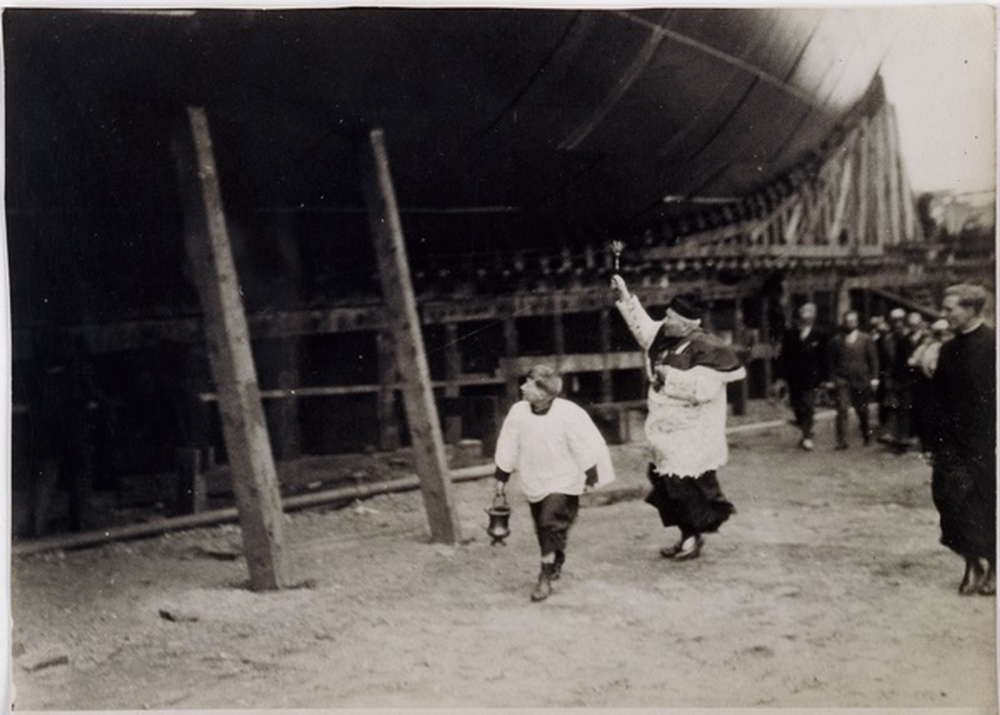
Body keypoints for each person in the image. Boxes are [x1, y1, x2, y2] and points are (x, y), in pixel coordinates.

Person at [610, 274, 745, 561]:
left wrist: (667, 376)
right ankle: (688, 535)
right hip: (666, 431)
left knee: (682, 486)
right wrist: (624, 293)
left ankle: (693, 537)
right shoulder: (667, 335)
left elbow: (705, 390)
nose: (665, 321)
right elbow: (643, 327)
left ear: (686, 324)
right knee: (664, 483)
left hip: (693, 433)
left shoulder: (708, 348)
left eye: (671, 317)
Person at [493, 365, 615, 602]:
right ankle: (554, 556)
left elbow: (582, 443)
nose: (522, 387)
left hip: (564, 478)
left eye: (529, 384)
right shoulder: (518, 412)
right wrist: (501, 477)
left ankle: (545, 575)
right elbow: (507, 444)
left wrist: (591, 474)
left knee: (550, 522)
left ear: (544, 392)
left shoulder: (567, 413)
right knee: (543, 526)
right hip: (534, 477)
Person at [925, 284, 995, 596]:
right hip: (951, 442)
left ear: (970, 309)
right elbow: (937, 398)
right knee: (948, 499)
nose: (945, 314)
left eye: (950, 308)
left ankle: (992, 565)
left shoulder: (993, 344)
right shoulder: (949, 349)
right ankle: (971, 561)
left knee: (984, 503)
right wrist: (931, 440)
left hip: (985, 441)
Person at [774, 302, 830, 451]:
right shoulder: (790, 334)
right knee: (797, 406)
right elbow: (783, 357)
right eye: (803, 312)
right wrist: (780, 377)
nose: (806, 315)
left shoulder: (820, 334)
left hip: (812, 378)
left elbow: (825, 358)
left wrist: (825, 379)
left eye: (809, 312)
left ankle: (806, 437)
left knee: (808, 406)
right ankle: (806, 428)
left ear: (814, 316)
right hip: (794, 377)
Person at [827, 310, 878, 450]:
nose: (850, 324)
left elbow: (873, 359)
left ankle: (866, 434)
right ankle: (841, 440)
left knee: (862, 410)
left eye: (853, 321)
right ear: (843, 323)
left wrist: (874, 378)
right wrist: (832, 379)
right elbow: (831, 361)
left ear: (857, 322)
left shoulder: (866, 339)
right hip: (842, 378)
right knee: (842, 409)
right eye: (847, 321)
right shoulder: (836, 340)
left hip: (861, 378)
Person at [907, 318, 950, 451]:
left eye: (943, 332)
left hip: (944, 384)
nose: (941, 335)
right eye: (938, 333)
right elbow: (912, 361)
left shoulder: (950, 346)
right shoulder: (928, 346)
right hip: (928, 384)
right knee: (928, 414)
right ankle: (929, 443)